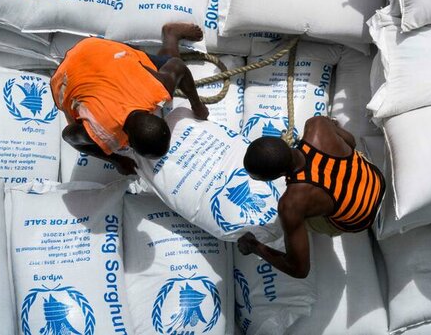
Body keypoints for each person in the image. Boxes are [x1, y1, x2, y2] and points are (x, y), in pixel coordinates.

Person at [236, 116, 385, 278]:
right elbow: (351, 142)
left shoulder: (291, 204)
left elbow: (299, 269)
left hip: (361, 218)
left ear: (275, 176)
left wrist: (254, 246)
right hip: (376, 181)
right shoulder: (317, 125)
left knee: (294, 221)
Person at [50, 23, 208, 175]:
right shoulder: (101, 131)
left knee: (164, 67)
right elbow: (68, 136)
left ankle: (171, 35)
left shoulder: (156, 89)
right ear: (129, 143)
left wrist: (197, 105)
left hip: (98, 49)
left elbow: (178, 65)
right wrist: (115, 160)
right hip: (67, 72)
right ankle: (170, 34)